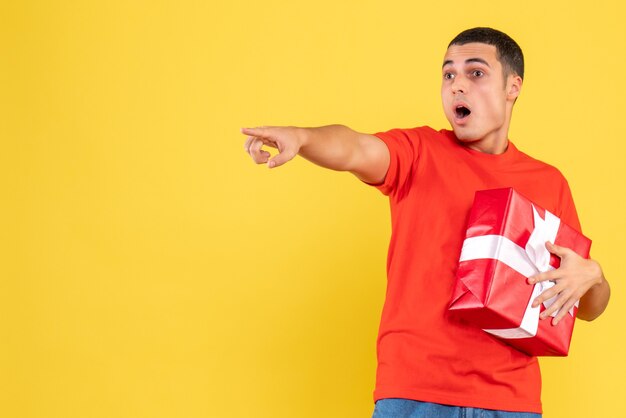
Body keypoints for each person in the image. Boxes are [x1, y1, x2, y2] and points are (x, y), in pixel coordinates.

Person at [241, 27, 610, 418]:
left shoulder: (549, 183)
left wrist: (594, 277)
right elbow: (355, 147)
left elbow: (586, 306)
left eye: (476, 73)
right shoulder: (418, 153)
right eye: (448, 74)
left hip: (510, 402)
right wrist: (302, 138)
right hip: (414, 396)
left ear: (512, 86)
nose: (457, 86)